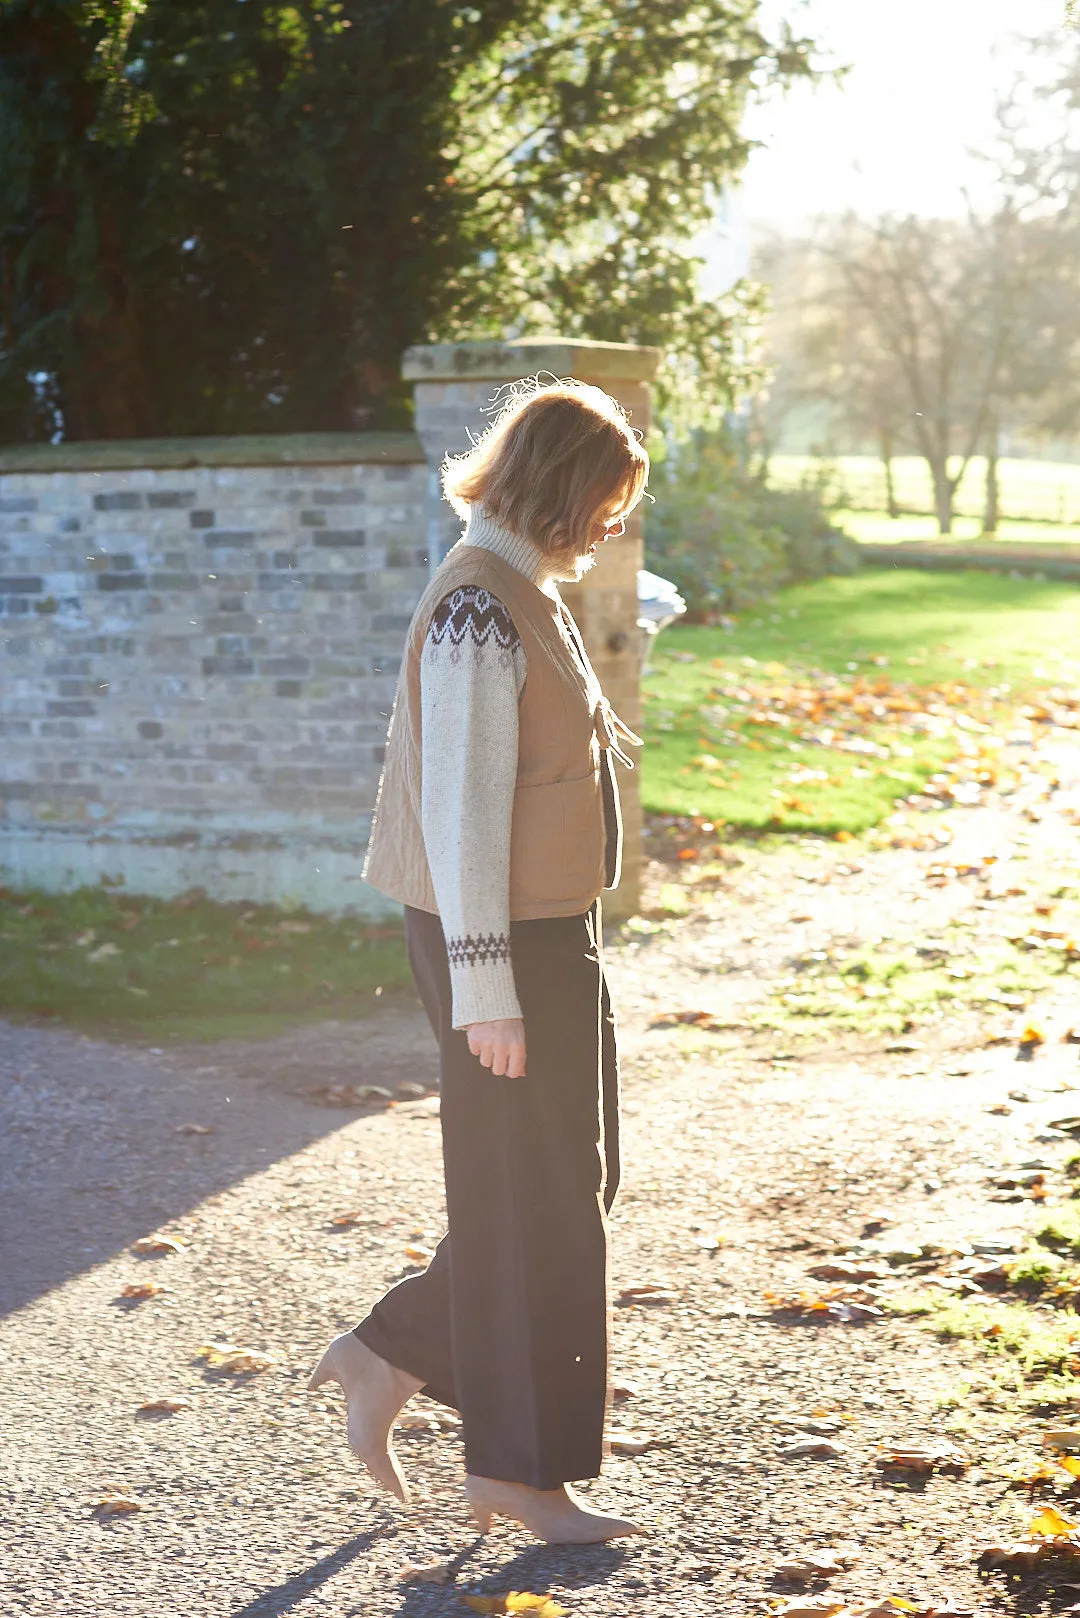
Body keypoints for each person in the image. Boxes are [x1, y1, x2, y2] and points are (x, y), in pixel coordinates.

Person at [309, 377, 649, 1544]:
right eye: (604, 499)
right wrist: (486, 987)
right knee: (529, 1196)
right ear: (558, 483)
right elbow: (459, 817)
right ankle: (517, 1472)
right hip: (497, 943)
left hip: (549, 933)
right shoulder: (476, 606)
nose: (610, 523)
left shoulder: (523, 587)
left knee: (568, 1187)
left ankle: (390, 1350)